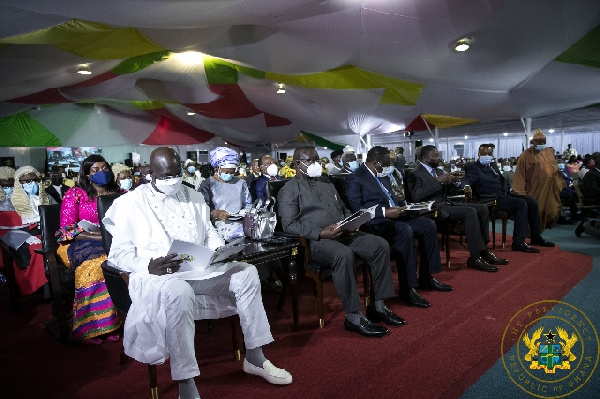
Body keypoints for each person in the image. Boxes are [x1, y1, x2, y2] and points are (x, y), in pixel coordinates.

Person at [103, 147, 292, 399]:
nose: (172, 180)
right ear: (150, 173)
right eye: (165, 175)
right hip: (159, 277)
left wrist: (220, 251)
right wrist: (148, 264)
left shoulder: (193, 196)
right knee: (178, 291)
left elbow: (210, 234)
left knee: (246, 273)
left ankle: (255, 357)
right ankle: (186, 382)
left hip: (200, 270)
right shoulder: (128, 204)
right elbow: (116, 256)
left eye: (176, 173)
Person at [278, 146, 404, 337]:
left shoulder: (326, 182)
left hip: (344, 233)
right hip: (318, 242)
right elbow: (288, 224)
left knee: (380, 245)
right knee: (343, 255)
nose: (316, 164)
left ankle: (378, 306)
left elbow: (344, 208)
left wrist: (352, 222)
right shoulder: (289, 190)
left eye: (317, 159)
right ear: (298, 164)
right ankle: (354, 317)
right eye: (311, 160)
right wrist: (321, 232)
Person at [345, 146, 453, 308]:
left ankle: (426, 277)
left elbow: (395, 200)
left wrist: (415, 208)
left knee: (428, 225)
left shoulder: (383, 174)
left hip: (397, 216)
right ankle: (407, 288)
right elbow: (357, 210)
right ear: (376, 163)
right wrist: (385, 212)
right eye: (387, 163)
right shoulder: (355, 178)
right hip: (376, 222)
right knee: (405, 231)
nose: (390, 166)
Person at [406, 145, 508, 272]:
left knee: (482, 208)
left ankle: (483, 250)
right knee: (470, 212)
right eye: (435, 155)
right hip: (433, 209)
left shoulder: (437, 170)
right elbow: (416, 196)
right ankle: (474, 257)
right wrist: (438, 181)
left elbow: (448, 192)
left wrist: (455, 182)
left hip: (446, 204)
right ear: (426, 158)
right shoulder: (414, 173)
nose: (439, 158)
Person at [55, 155, 121, 344]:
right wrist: (97, 236)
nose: (102, 173)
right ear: (86, 174)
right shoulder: (75, 194)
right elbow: (65, 231)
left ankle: (110, 323)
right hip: (77, 244)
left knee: (118, 263)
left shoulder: (119, 194)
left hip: (112, 241)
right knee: (97, 266)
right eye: (95, 170)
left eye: (105, 168)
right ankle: (88, 327)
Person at [464, 144, 555, 253]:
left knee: (531, 201)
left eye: (489, 154)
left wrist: (511, 190)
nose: (487, 156)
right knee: (520, 204)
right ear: (478, 154)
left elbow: (502, 182)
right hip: (489, 198)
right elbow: (467, 181)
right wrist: (466, 187)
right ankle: (518, 241)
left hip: (504, 194)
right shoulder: (473, 167)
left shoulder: (493, 165)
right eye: (484, 154)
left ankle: (536, 236)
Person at [512, 130, 566, 230]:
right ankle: (533, 232)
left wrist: (559, 183)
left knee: (553, 210)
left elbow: (554, 167)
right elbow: (520, 173)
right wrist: (520, 190)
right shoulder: (526, 155)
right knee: (537, 210)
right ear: (533, 142)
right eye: (539, 142)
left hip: (550, 187)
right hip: (534, 188)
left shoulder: (549, 152)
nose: (541, 144)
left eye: (543, 142)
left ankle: (542, 228)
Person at [198, 147, 251, 242]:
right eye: (227, 172)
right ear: (217, 168)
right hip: (219, 224)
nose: (230, 175)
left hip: (241, 221)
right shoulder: (207, 185)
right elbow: (200, 209)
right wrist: (213, 213)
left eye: (232, 172)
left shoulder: (240, 182)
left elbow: (248, 203)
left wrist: (246, 212)